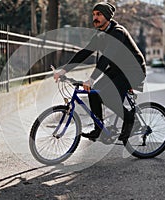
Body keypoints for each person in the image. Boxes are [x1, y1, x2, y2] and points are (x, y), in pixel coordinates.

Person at [54, 2, 146, 143]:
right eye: (94, 14)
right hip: (117, 70)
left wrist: (91, 79)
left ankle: (131, 120)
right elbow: (84, 53)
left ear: (107, 17)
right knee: (94, 93)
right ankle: (98, 129)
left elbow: (106, 57)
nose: (95, 18)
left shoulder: (117, 32)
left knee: (108, 95)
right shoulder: (100, 35)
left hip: (133, 71)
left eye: (99, 14)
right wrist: (64, 70)